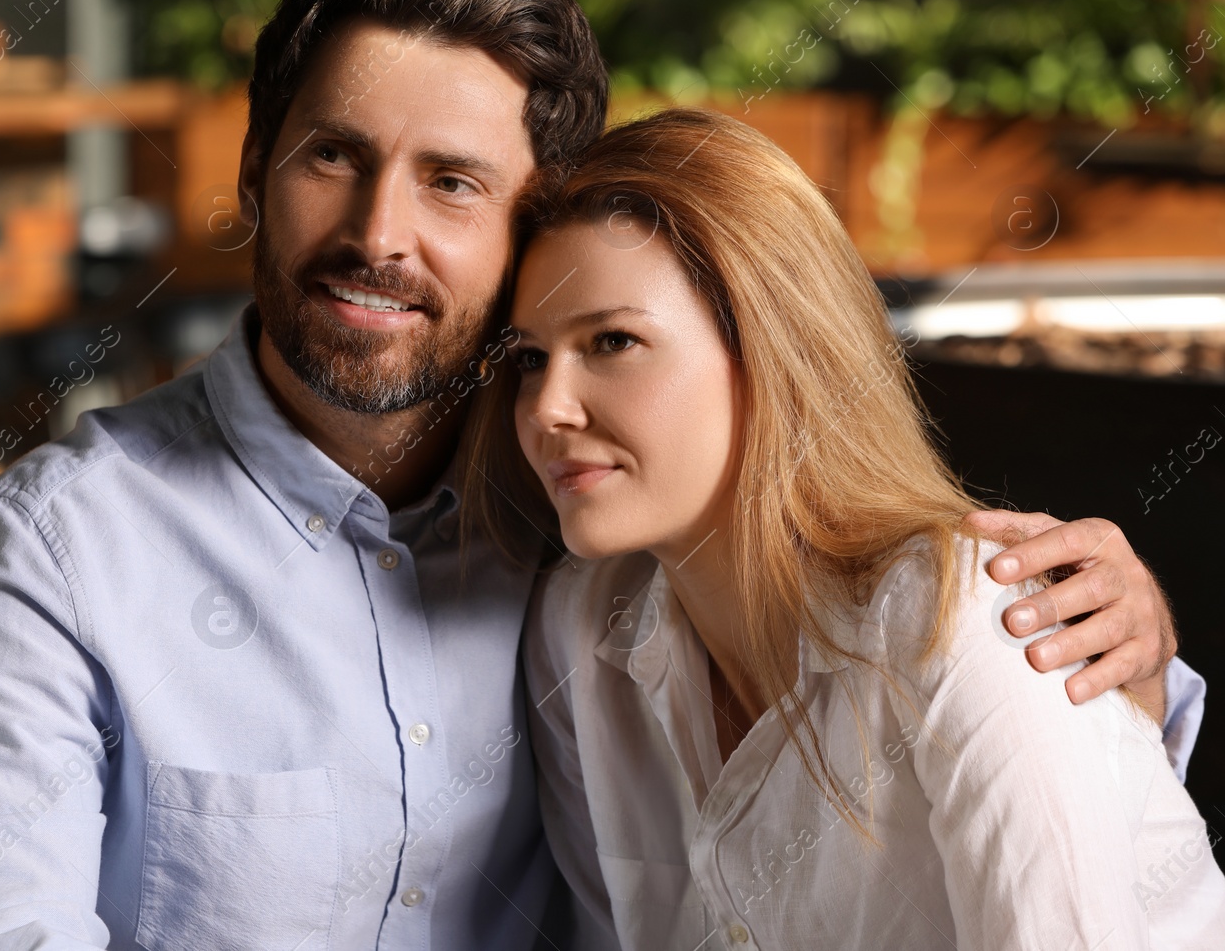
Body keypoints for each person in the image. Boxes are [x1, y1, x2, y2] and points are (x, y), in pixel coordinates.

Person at [0, 0, 1201, 950]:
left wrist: (1132, 642)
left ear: (529, 231)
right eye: (331, 155)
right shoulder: (62, 543)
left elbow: (1032, 746)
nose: (378, 232)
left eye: (452, 181)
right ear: (252, 174)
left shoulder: (585, 541)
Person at [491, 108, 1223, 949]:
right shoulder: (579, 633)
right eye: (529, 359)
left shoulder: (972, 617)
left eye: (613, 340)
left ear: (771, 347)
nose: (547, 407)